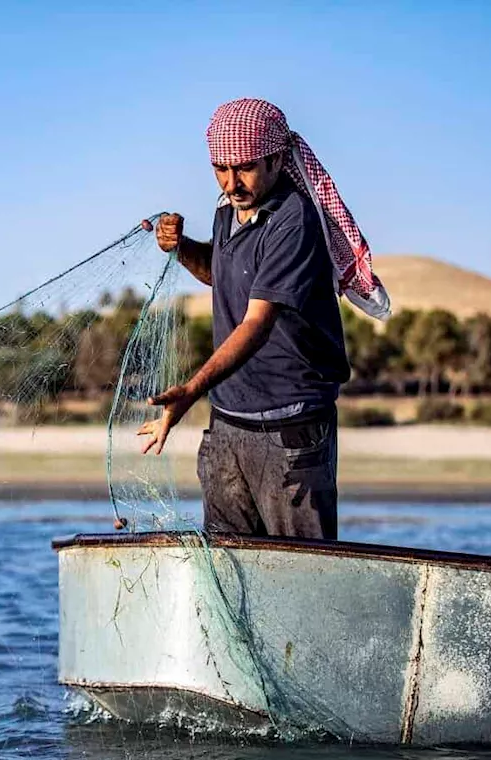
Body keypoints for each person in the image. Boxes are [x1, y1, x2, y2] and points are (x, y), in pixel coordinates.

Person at [138, 98, 391, 540]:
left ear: (276, 159)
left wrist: (192, 391)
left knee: (303, 572)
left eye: (245, 168)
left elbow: (257, 323)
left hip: (290, 431)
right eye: (221, 168)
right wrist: (181, 247)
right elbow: (219, 273)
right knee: (230, 569)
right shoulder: (227, 211)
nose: (231, 182)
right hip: (228, 426)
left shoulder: (294, 220)